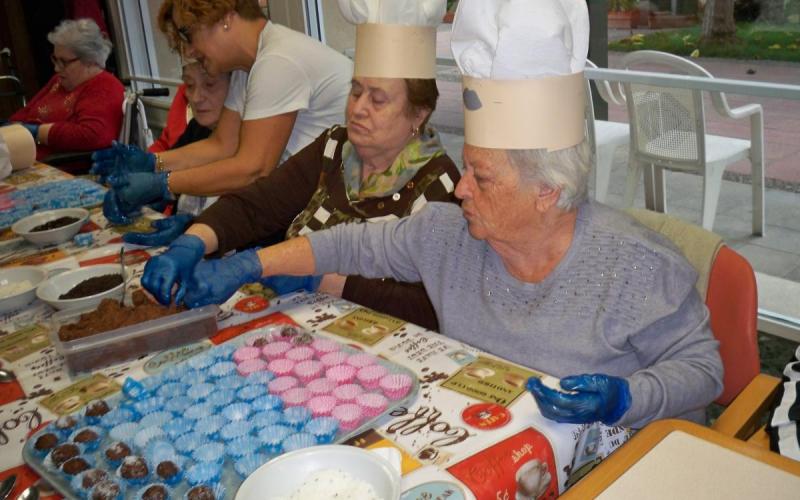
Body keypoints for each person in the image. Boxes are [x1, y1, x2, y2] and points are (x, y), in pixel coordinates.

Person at [152, 0, 723, 430]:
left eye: (483, 176)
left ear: (547, 192)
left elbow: (704, 370)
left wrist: (628, 398)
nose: (463, 188)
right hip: (481, 428)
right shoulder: (451, 233)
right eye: (468, 168)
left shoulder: (635, 265)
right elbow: (349, 244)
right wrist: (251, 262)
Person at [140, 0, 459, 330]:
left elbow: (431, 308)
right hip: (297, 323)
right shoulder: (335, 146)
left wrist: (319, 278)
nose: (359, 108)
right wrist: (195, 240)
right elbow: (257, 206)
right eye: (356, 91)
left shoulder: (440, 183)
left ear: (418, 115)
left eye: (378, 99)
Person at [96, 0, 352, 223]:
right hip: (309, 199)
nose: (189, 50)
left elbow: (252, 169)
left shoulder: (278, 60)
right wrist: (154, 163)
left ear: (225, 17)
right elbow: (222, 145)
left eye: (188, 34)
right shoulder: (248, 66)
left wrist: (163, 183)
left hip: (340, 209)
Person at [106, 61, 231, 245]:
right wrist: (141, 198)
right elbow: (169, 180)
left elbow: (250, 219)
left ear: (237, 89)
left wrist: (192, 224)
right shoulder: (197, 128)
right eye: (189, 85)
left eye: (210, 85)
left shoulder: (258, 142)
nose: (196, 98)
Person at [9, 18, 123, 163]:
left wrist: (38, 132)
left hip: (57, 165)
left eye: (63, 62)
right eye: (55, 60)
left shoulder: (105, 87)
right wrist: (12, 127)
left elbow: (93, 135)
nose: (57, 68)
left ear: (89, 60)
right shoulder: (60, 80)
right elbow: (23, 115)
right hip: (25, 156)